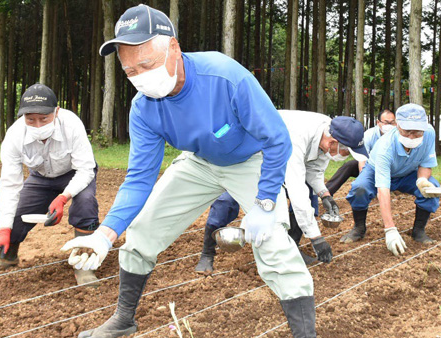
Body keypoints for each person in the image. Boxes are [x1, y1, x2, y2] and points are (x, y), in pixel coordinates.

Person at [60, 5, 317, 338]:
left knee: (274, 245)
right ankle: (123, 319)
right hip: (198, 162)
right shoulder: (143, 109)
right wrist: (105, 235)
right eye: (130, 70)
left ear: (174, 48)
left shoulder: (225, 77)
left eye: (147, 64)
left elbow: (278, 139)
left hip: (250, 161)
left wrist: (266, 202)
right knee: (141, 233)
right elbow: (139, 178)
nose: (140, 76)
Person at [195, 111, 369, 273]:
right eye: (346, 152)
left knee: (309, 195)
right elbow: (296, 187)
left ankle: (293, 248)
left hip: (281, 159)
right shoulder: (298, 135)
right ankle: (207, 253)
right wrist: (316, 238)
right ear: (333, 142)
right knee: (229, 200)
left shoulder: (329, 134)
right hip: (250, 154)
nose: (345, 157)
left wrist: (325, 195)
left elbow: (314, 172)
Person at [0, 83, 100, 287]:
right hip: (40, 178)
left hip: (75, 173)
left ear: (56, 111)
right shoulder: (14, 136)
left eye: (44, 119)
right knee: (16, 213)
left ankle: (84, 264)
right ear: (22, 116)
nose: (38, 125)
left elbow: (86, 170)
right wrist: (3, 230)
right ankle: (7, 258)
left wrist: (64, 197)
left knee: (85, 203)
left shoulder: (71, 124)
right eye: (31, 119)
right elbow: (10, 185)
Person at [341, 103, 440, 255]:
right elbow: (383, 190)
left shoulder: (429, 133)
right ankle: (359, 227)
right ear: (398, 126)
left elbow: (426, 163)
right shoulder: (385, 147)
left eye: (417, 132)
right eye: (408, 131)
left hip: (408, 172)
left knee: (431, 187)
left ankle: (418, 231)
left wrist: (422, 180)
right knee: (359, 189)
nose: (412, 136)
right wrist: (390, 229)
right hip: (376, 171)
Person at [324, 109, 396, 199]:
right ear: (378, 122)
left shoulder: (398, 135)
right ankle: (326, 192)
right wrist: (365, 181)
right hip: (371, 167)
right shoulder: (369, 135)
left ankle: (391, 188)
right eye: (386, 122)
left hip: (392, 167)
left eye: (392, 123)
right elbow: (362, 159)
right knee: (350, 165)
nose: (389, 126)